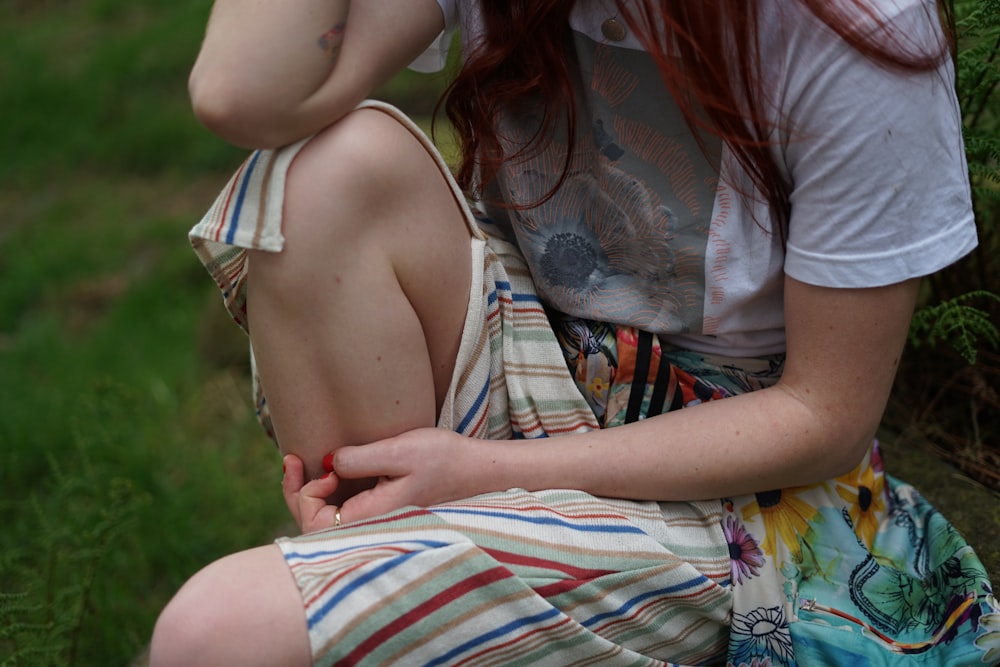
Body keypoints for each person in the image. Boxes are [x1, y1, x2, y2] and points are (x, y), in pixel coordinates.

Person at [150, 0, 1000, 665]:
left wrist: (490, 476)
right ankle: (376, 547)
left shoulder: (850, 25)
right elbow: (242, 91)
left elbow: (825, 414)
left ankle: (383, 584)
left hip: (739, 481)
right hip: (544, 357)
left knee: (215, 634)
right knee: (324, 178)